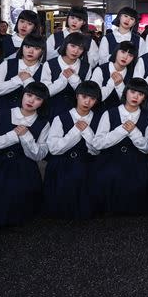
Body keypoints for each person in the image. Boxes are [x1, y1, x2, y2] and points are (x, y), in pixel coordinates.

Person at [0, 82, 51, 228]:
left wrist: (27, 137)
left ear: (43, 103)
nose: (31, 100)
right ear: (23, 95)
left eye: (38, 98)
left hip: (24, 165)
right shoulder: (1, 114)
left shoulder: (43, 123)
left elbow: (39, 155)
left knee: (17, 190)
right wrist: (12, 136)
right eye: (29, 95)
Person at [88, 77, 148, 215]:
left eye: (140, 94)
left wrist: (134, 132)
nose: (136, 96)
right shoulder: (110, 113)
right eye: (133, 92)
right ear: (126, 92)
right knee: (108, 176)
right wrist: (122, 130)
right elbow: (98, 143)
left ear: (144, 98)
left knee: (140, 180)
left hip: (136, 158)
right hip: (111, 157)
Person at [43, 81, 102, 220]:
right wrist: (75, 131)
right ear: (77, 96)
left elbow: (97, 149)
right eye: (84, 96)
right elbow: (54, 148)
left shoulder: (99, 119)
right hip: (63, 162)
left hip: (86, 162)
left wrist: (87, 131)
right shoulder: (61, 118)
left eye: (92, 99)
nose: (87, 102)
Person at [0, 34, 50, 111]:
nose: (30, 51)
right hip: (2, 111)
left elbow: (44, 96)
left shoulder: (45, 69)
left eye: (36, 48)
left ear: (42, 51)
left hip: (30, 117)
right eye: (27, 47)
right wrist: (17, 80)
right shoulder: (7, 64)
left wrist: (28, 80)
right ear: (22, 47)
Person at [43, 32, 91, 118]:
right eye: (72, 46)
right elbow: (44, 92)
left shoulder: (86, 67)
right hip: (51, 111)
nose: (75, 51)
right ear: (65, 45)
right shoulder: (49, 64)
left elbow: (87, 94)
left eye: (80, 48)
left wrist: (74, 79)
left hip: (76, 113)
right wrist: (63, 80)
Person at [90, 41, 138, 111]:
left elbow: (130, 102)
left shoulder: (132, 74)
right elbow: (93, 96)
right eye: (123, 52)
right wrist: (111, 83)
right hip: (99, 112)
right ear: (116, 52)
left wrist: (120, 84)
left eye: (130, 55)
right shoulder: (100, 69)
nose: (125, 57)